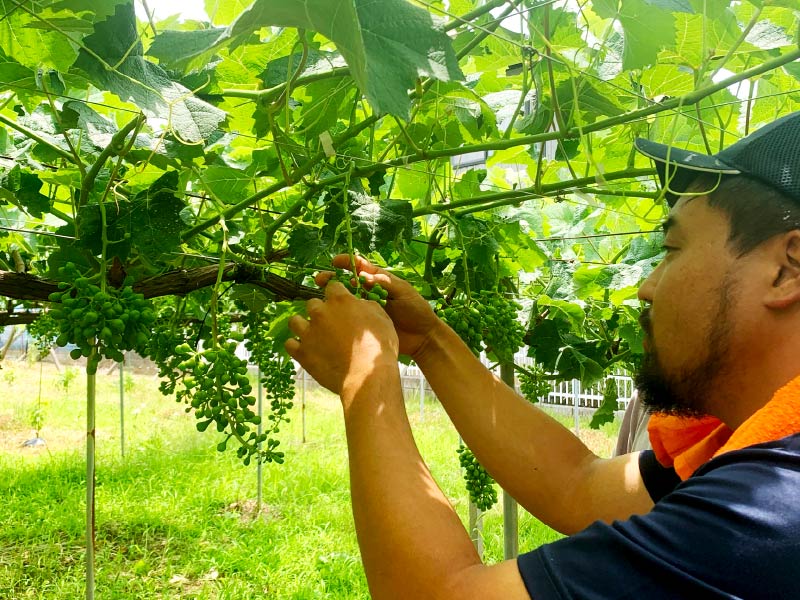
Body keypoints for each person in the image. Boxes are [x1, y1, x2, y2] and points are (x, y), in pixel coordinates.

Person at [284, 111, 800, 599]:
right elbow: (578, 487)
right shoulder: (752, 455)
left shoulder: (772, 508)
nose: (647, 287)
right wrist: (428, 342)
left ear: (787, 269)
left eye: (672, 249)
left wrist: (365, 375)